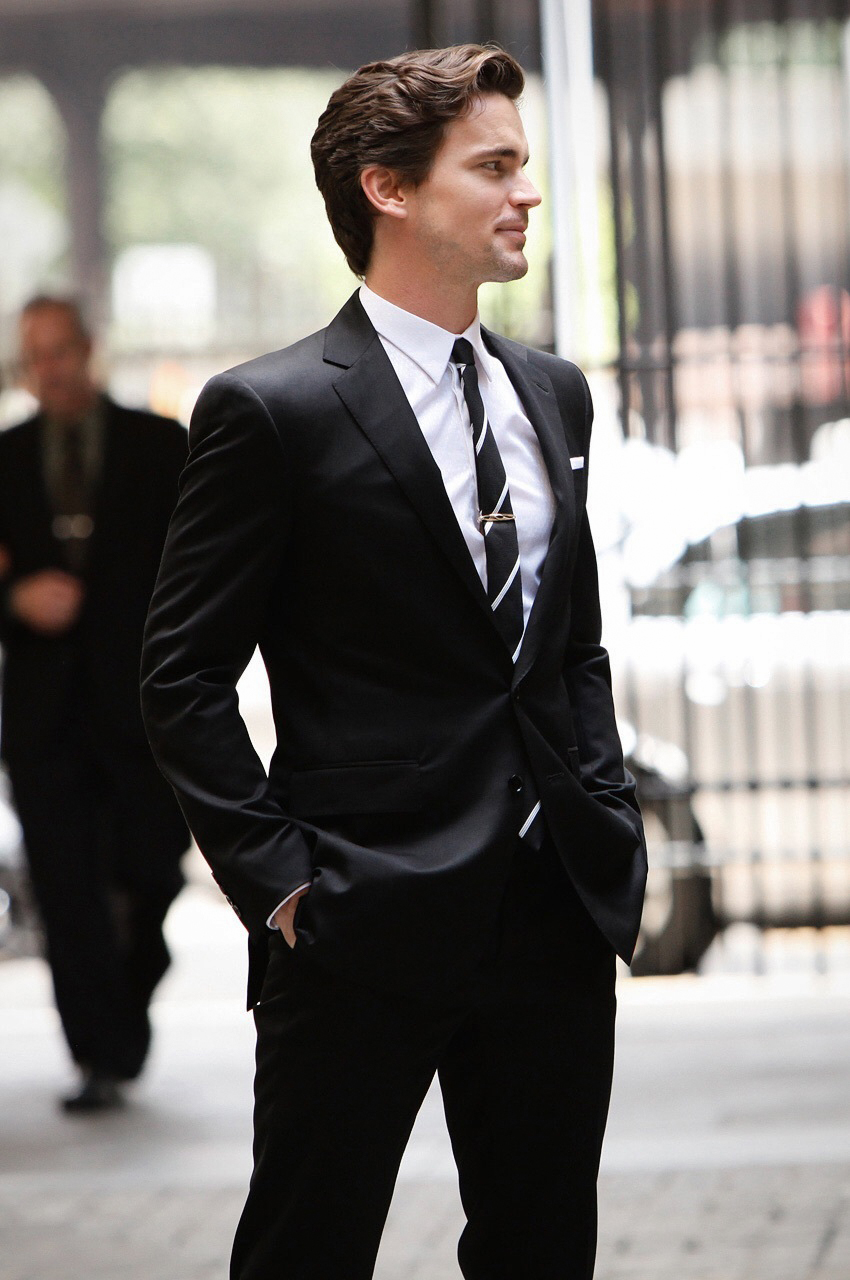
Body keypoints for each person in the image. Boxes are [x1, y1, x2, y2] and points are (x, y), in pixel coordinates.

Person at [141, 44, 647, 1280]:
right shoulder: (272, 411)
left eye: (521, 164)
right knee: (307, 1250)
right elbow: (181, 675)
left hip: (550, 916)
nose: (526, 192)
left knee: (541, 1253)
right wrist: (284, 881)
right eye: (494, 166)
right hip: (358, 917)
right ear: (389, 190)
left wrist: (603, 809)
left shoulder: (554, 393)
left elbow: (565, 644)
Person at [0, 296, 189, 1111]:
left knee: (150, 870)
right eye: (36, 355)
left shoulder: (159, 446)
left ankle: (133, 982)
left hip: (139, 709)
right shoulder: (3, 458)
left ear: (90, 349)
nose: (53, 368)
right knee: (67, 888)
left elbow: (195, 573)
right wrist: (15, 596)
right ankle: (100, 1056)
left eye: (63, 350)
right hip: (44, 716)